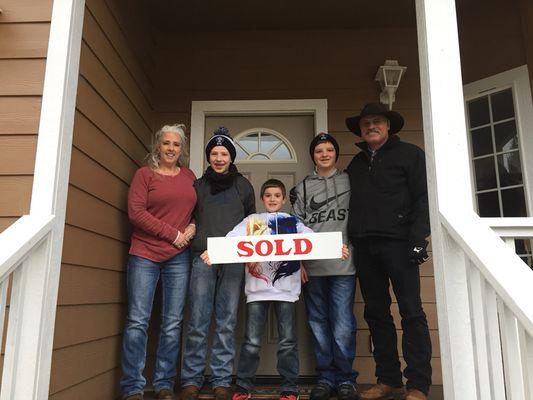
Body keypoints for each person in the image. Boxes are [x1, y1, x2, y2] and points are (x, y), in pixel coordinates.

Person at [202, 179, 348, 400]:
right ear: (262, 198)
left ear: (282, 199)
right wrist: (215, 251)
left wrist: (335, 247)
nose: (272, 199)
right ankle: (243, 387)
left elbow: (312, 239)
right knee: (251, 342)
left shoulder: (292, 222)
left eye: (277, 195)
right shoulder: (252, 221)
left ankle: (290, 388)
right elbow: (232, 239)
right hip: (257, 290)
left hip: (286, 291)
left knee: (287, 342)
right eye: (268, 195)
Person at [345, 103, 432, 400]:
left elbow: (424, 198)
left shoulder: (410, 155)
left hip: (400, 244)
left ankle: (418, 384)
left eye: (377, 121)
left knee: (411, 313)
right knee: (376, 313)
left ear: (388, 126)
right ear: (360, 128)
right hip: (365, 246)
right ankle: (388, 379)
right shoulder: (355, 164)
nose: (371, 126)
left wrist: (419, 237)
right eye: (366, 122)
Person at [120, 124, 197, 400]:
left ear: (182, 148)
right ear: (157, 146)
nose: (171, 149)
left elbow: (196, 210)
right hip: (145, 254)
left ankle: (164, 384)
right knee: (138, 321)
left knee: (172, 322)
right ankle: (132, 387)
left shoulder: (189, 176)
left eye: (176, 144)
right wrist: (173, 234)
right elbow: (136, 213)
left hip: (179, 257)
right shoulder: (144, 175)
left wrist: (193, 227)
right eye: (166, 143)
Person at [180, 127, 256, 400]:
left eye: (224, 153)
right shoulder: (198, 186)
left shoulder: (243, 186)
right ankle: (191, 379)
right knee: (198, 320)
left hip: (234, 261)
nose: (219, 158)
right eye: (214, 153)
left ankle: (222, 379)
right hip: (203, 258)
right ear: (209, 157)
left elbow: (252, 224)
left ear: (231, 157)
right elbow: (188, 216)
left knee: (226, 320)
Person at [290, 133, 359, 400]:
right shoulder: (303, 187)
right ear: (313, 155)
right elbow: (296, 228)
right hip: (314, 267)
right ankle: (325, 378)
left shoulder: (350, 181)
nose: (325, 154)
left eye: (330, 149)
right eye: (319, 150)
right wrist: (299, 262)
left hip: (344, 265)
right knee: (318, 322)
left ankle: (345, 379)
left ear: (336, 153)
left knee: (342, 324)